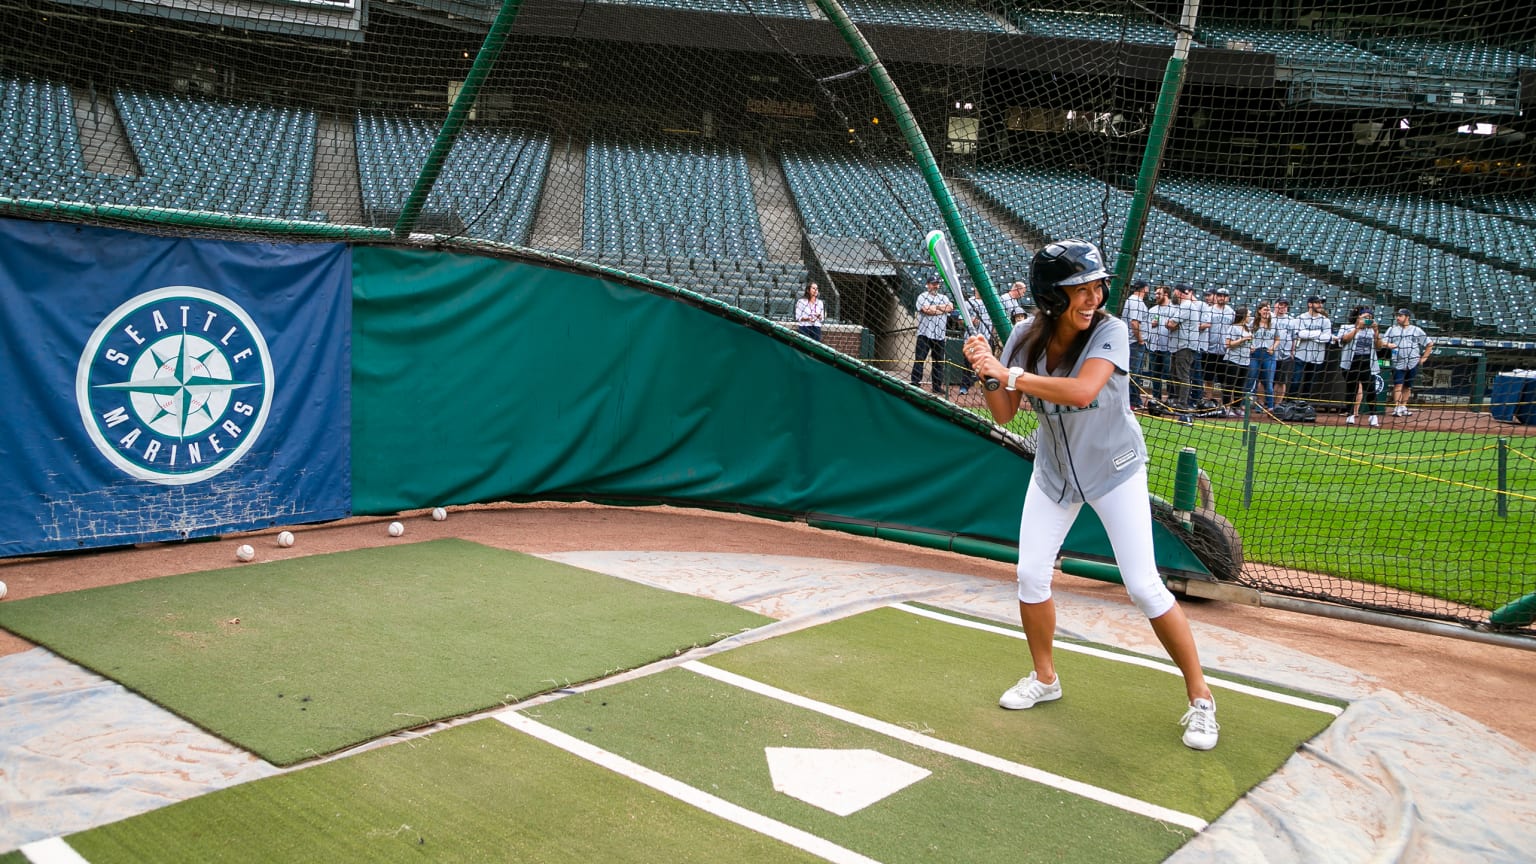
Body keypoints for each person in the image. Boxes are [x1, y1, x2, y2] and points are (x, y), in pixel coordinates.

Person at [961, 238, 1219, 750]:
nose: (1093, 297)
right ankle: (1045, 678)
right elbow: (1005, 412)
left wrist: (1006, 371)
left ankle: (1201, 699)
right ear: (1052, 296)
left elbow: (1083, 390)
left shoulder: (1111, 331)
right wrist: (987, 371)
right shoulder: (1023, 338)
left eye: (1097, 286)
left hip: (1114, 471)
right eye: (1080, 288)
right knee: (1030, 575)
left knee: (1144, 585)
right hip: (1053, 474)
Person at [1338, 305, 1387, 427]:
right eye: (1365, 317)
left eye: (1370, 317)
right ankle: (1350, 415)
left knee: (1370, 389)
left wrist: (1376, 331)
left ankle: (1373, 415)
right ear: (1358, 317)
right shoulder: (1346, 327)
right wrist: (1357, 328)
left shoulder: (1371, 331)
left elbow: (1379, 346)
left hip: (1367, 362)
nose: (1368, 319)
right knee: (1351, 389)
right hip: (1350, 362)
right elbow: (1344, 340)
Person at [1383, 308, 1433, 418]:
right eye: (1397, 315)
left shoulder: (1416, 330)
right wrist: (1387, 345)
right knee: (1398, 385)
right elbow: (1382, 341)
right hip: (1398, 361)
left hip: (1413, 362)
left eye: (1400, 316)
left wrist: (1424, 358)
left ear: (1407, 317)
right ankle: (1397, 408)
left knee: (1408, 387)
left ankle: (1403, 407)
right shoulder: (1392, 329)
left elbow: (1429, 343)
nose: (1398, 318)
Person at [911, 274, 953, 395]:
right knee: (919, 359)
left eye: (937, 284)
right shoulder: (922, 296)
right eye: (933, 284)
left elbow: (950, 307)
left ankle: (937, 386)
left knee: (938, 362)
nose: (935, 286)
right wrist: (941, 309)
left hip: (939, 335)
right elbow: (926, 310)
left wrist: (935, 308)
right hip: (924, 334)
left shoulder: (944, 297)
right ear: (928, 285)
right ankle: (915, 383)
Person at [1165, 283, 1203, 410]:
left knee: (1182, 375)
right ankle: (1177, 400)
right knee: (1175, 374)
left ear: (1178, 293)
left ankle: (1182, 403)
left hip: (1185, 346)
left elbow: (1170, 324)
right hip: (1179, 345)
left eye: (1174, 292)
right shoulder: (1183, 306)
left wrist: (1168, 323)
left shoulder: (1186, 306)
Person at [1294, 296, 1333, 402]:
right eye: (1317, 302)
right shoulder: (1300, 318)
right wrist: (1318, 334)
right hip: (1301, 354)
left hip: (1317, 355)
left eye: (1321, 303)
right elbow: (1300, 334)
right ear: (1310, 304)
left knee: (1309, 382)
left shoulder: (1325, 321)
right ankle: (1290, 402)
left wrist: (1310, 335)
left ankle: (1303, 404)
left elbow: (1327, 337)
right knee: (1295, 381)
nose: (1320, 305)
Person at [958, 289, 996, 395]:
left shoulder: (990, 303)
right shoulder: (968, 303)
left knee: (986, 364)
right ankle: (964, 387)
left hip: (986, 341)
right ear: (975, 289)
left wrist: (992, 336)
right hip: (971, 341)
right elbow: (960, 321)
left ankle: (985, 387)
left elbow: (994, 323)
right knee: (968, 364)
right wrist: (970, 321)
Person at [1203, 288, 1234, 404]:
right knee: (1208, 378)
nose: (1222, 298)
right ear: (1216, 296)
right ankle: (1208, 401)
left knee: (1225, 380)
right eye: (1220, 295)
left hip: (1225, 351)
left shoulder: (1231, 312)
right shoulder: (1209, 310)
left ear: (1228, 298)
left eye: (1224, 296)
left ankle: (1226, 404)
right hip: (1210, 349)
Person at [1221, 305, 1253, 416]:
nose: (1249, 317)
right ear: (1243, 316)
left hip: (1245, 360)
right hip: (1233, 360)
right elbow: (1228, 344)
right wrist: (1243, 339)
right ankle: (1226, 407)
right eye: (1248, 315)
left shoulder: (1247, 328)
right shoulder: (1233, 328)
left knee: (1240, 386)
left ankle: (1237, 407)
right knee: (1229, 385)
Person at [1123, 280, 1150, 408]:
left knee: (1134, 373)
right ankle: (1132, 401)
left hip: (1132, 342)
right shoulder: (1136, 302)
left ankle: (1134, 400)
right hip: (1134, 342)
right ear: (1145, 289)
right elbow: (1134, 323)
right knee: (1134, 373)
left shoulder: (1132, 300)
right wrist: (1140, 339)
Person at [1145, 284, 1173, 405]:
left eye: (1158, 294)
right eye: (1155, 293)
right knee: (1155, 374)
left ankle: (1171, 399)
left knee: (1169, 374)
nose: (1156, 296)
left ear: (1166, 294)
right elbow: (1146, 327)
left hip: (1169, 347)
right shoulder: (1152, 310)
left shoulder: (1174, 309)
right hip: (1154, 346)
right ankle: (1156, 398)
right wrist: (1152, 324)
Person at [1249, 302, 1279, 409]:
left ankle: (1270, 408)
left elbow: (1277, 339)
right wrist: (1250, 346)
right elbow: (1246, 336)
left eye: (1268, 310)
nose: (1267, 312)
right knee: (1251, 380)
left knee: (1268, 382)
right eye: (1265, 310)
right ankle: (1244, 407)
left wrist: (1273, 348)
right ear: (1259, 311)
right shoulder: (1253, 323)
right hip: (1255, 354)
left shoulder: (1274, 323)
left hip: (1268, 354)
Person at [1272, 297, 1299, 405]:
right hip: (1269, 353)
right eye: (1281, 304)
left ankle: (1277, 404)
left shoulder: (1291, 320)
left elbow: (1294, 338)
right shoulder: (1269, 317)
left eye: (1285, 305)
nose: (1283, 307)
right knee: (1264, 380)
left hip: (1285, 354)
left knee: (1281, 380)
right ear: (1275, 305)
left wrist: (1293, 351)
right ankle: (1262, 404)